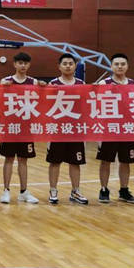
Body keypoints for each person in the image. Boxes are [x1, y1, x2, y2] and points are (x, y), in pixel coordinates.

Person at [0, 52, 42, 204]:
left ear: (29, 65)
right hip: (10, 126)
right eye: (20, 63)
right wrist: (3, 87)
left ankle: (24, 192)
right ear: (15, 64)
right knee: (9, 159)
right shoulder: (6, 81)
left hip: (26, 127)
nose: (23, 65)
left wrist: (44, 87)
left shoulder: (34, 82)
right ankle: (6, 191)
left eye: (25, 63)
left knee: (23, 160)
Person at [46, 53, 89, 205]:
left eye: (71, 63)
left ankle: (76, 191)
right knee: (55, 162)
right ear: (59, 66)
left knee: (75, 162)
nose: (68, 66)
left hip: (75, 130)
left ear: (75, 66)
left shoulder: (82, 84)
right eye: (65, 63)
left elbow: (87, 104)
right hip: (57, 129)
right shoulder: (52, 84)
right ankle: (53, 190)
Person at [96, 53, 134, 204]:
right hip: (109, 128)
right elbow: (96, 104)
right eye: (116, 64)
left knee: (125, 161)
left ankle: (124, 190)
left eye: (123, 64)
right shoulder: (103, 83)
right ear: (111, 66)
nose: (120, 66)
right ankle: (104, 189)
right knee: (105, 161)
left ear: (127, 66)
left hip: (127, 128)